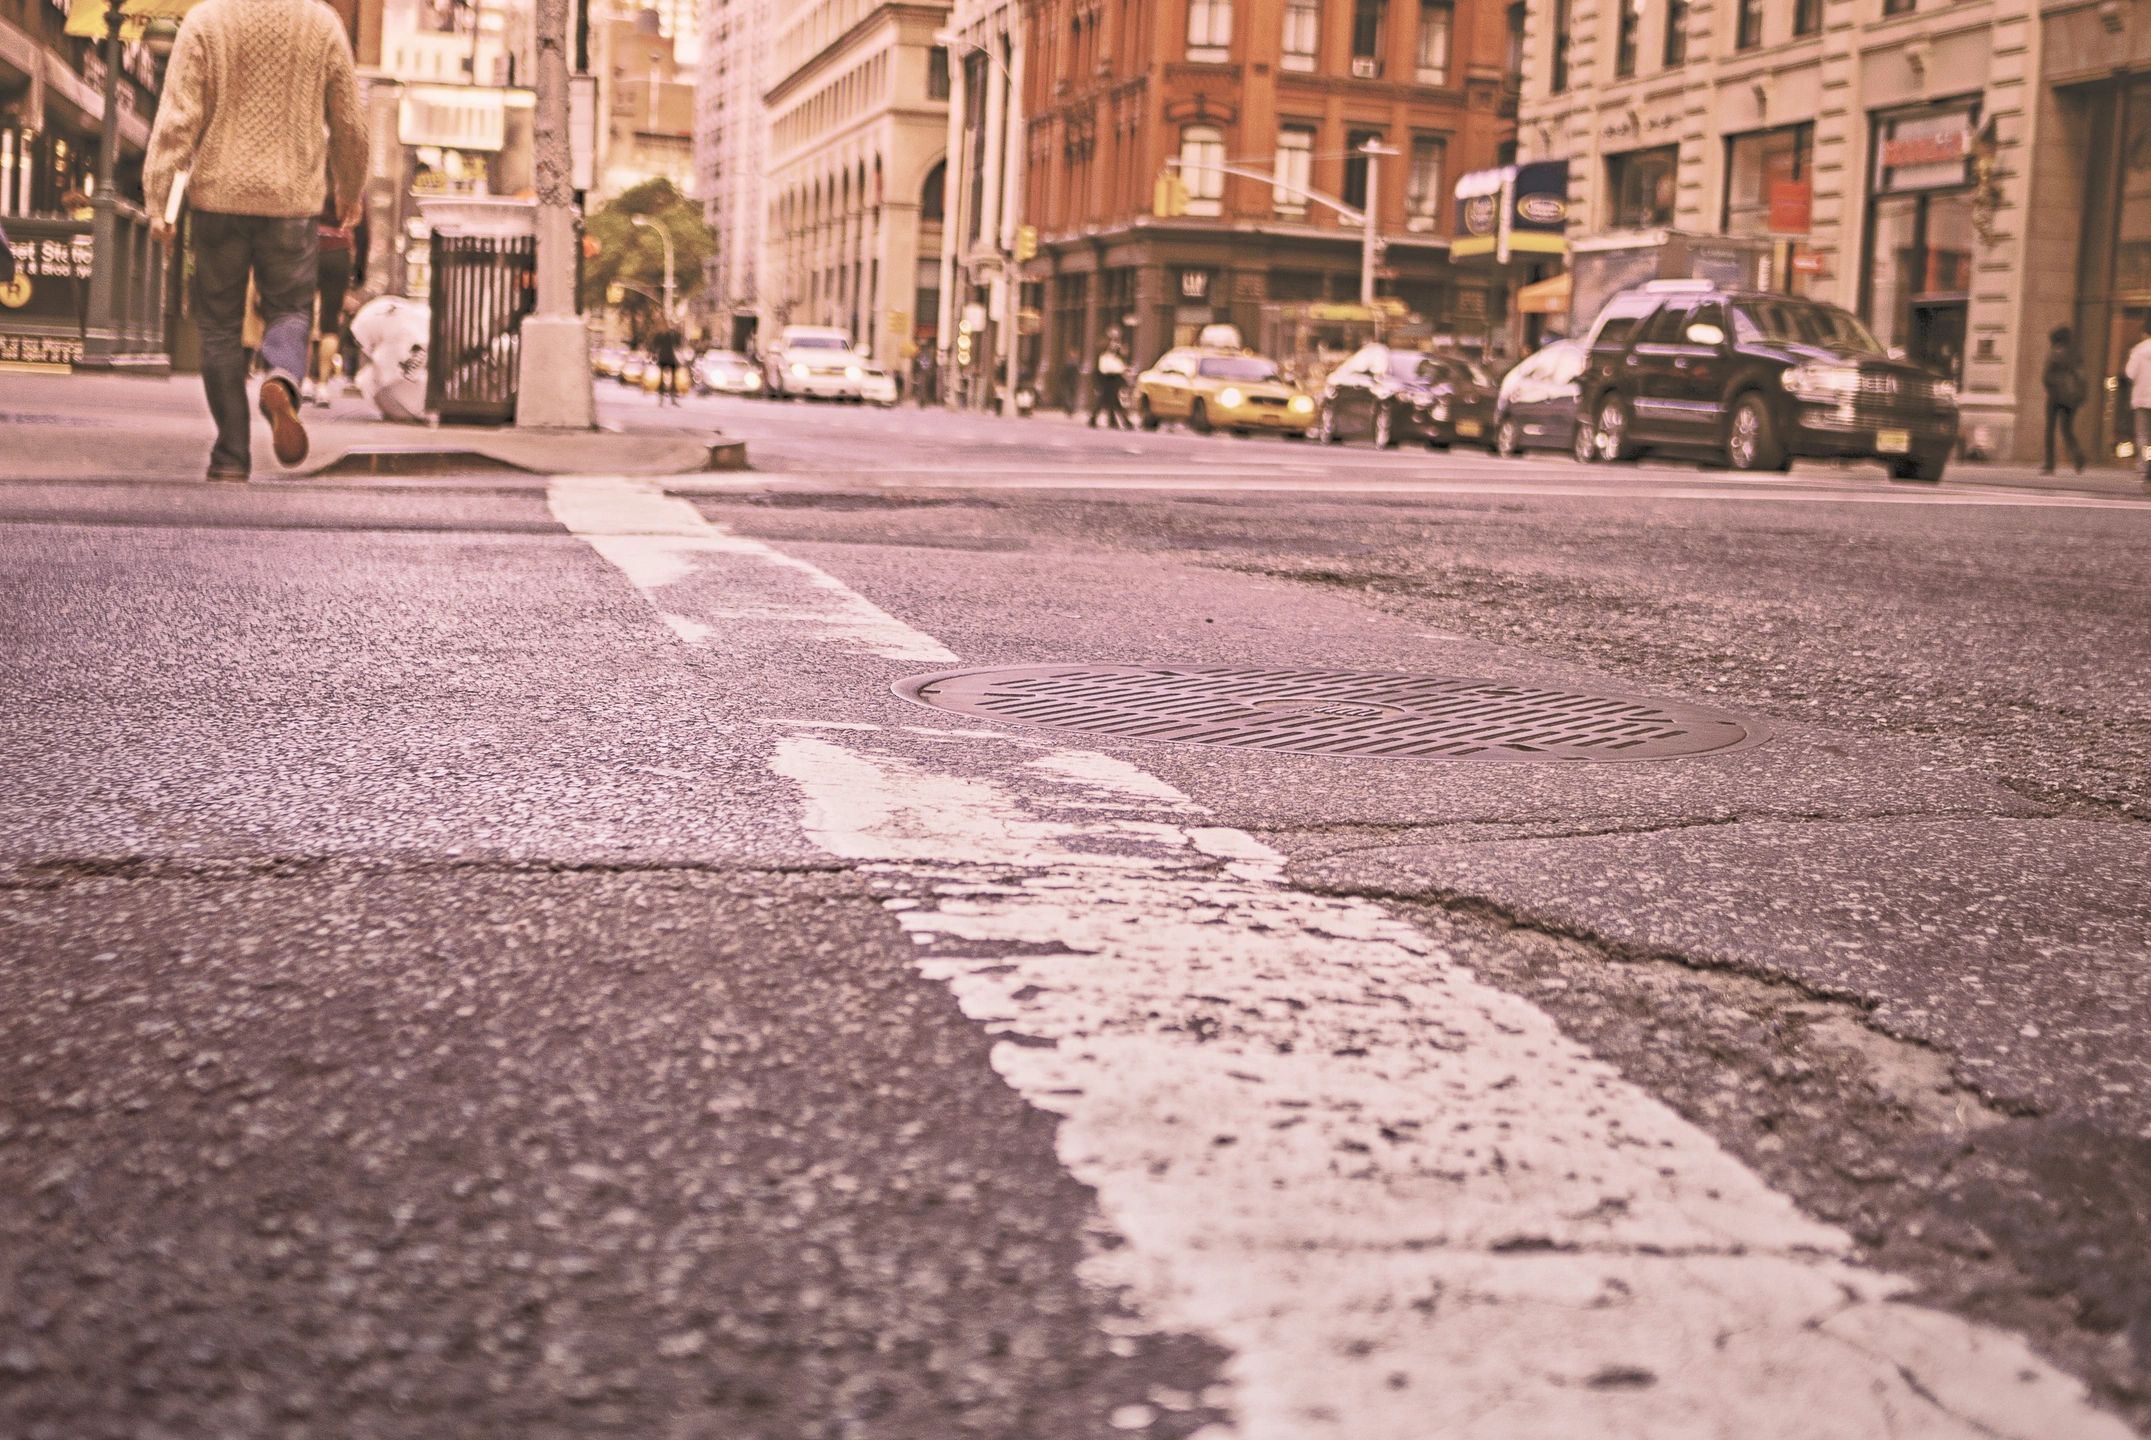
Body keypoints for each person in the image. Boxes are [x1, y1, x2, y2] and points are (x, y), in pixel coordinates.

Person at [143, 0, 364, 481]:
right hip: (291, 202)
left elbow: (178, 118)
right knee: (290, 308)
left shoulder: (206, 20)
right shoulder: (322, 23)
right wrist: (351, 187)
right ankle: (282, 379)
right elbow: (349, 119)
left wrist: (160, 201)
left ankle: (230, 456)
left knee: (220, 329)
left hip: (217, 200)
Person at [308, 188, 357, 406]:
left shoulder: (311, 174)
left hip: (308, 248)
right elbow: (363, 229)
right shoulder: (347, 182)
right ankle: (322, 386)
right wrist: (359, 273)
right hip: (338, 251)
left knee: (303, 314)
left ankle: (305, 380)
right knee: (330, 322)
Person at [2126, 315, 2151, 489]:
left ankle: (2144, 468)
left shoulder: (2138, 350)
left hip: (2142, 399)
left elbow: (2130, 373)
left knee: (2143, 436)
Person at [1089, 332, 1130, 430]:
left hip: (1115, 380)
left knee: (1110, 402)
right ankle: (1123, 422)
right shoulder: (1105, 355)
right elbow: (1104, 368)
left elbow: (1122, 363)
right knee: (1109, 402)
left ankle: (1112, 420)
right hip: (1108, 380)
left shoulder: (1117, 354)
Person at [651, 324, 684, 405]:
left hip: (666, 358)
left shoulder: (664, 334)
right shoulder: (670, 335)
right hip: (668, 358)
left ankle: (663, 399)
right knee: (668, 380)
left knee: (667, 380)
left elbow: (655, 345)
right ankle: (667, 399)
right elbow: (678, 345)